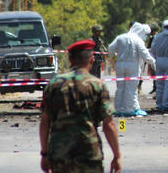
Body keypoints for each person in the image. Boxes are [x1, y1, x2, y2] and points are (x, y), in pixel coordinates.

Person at [39, 39, 121, 173]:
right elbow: (108, 124)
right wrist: (116, 156)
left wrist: (44, 154)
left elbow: (45, 121)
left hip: (60, 154)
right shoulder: (97, 85)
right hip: (88, 153)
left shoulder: (53, 85)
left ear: (70, 60)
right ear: (92, 60)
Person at [108, 22, 155, 117]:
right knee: (131, 88)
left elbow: (110, 48)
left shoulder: (120, 37)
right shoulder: (137, 40)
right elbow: (145, 55)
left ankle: (119, 109)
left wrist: (113, 58)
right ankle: (128, 110)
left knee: (120, 88)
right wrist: (153, 62)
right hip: (132, 66)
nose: (145, 37)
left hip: (120, 65)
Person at [138, 23, 159, 95]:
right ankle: (140, 87)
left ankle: (155, 87)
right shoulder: (152, 37)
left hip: (153, 57)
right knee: (146, 72)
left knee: (154, 72)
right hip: (150, 56)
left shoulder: (155, 37)